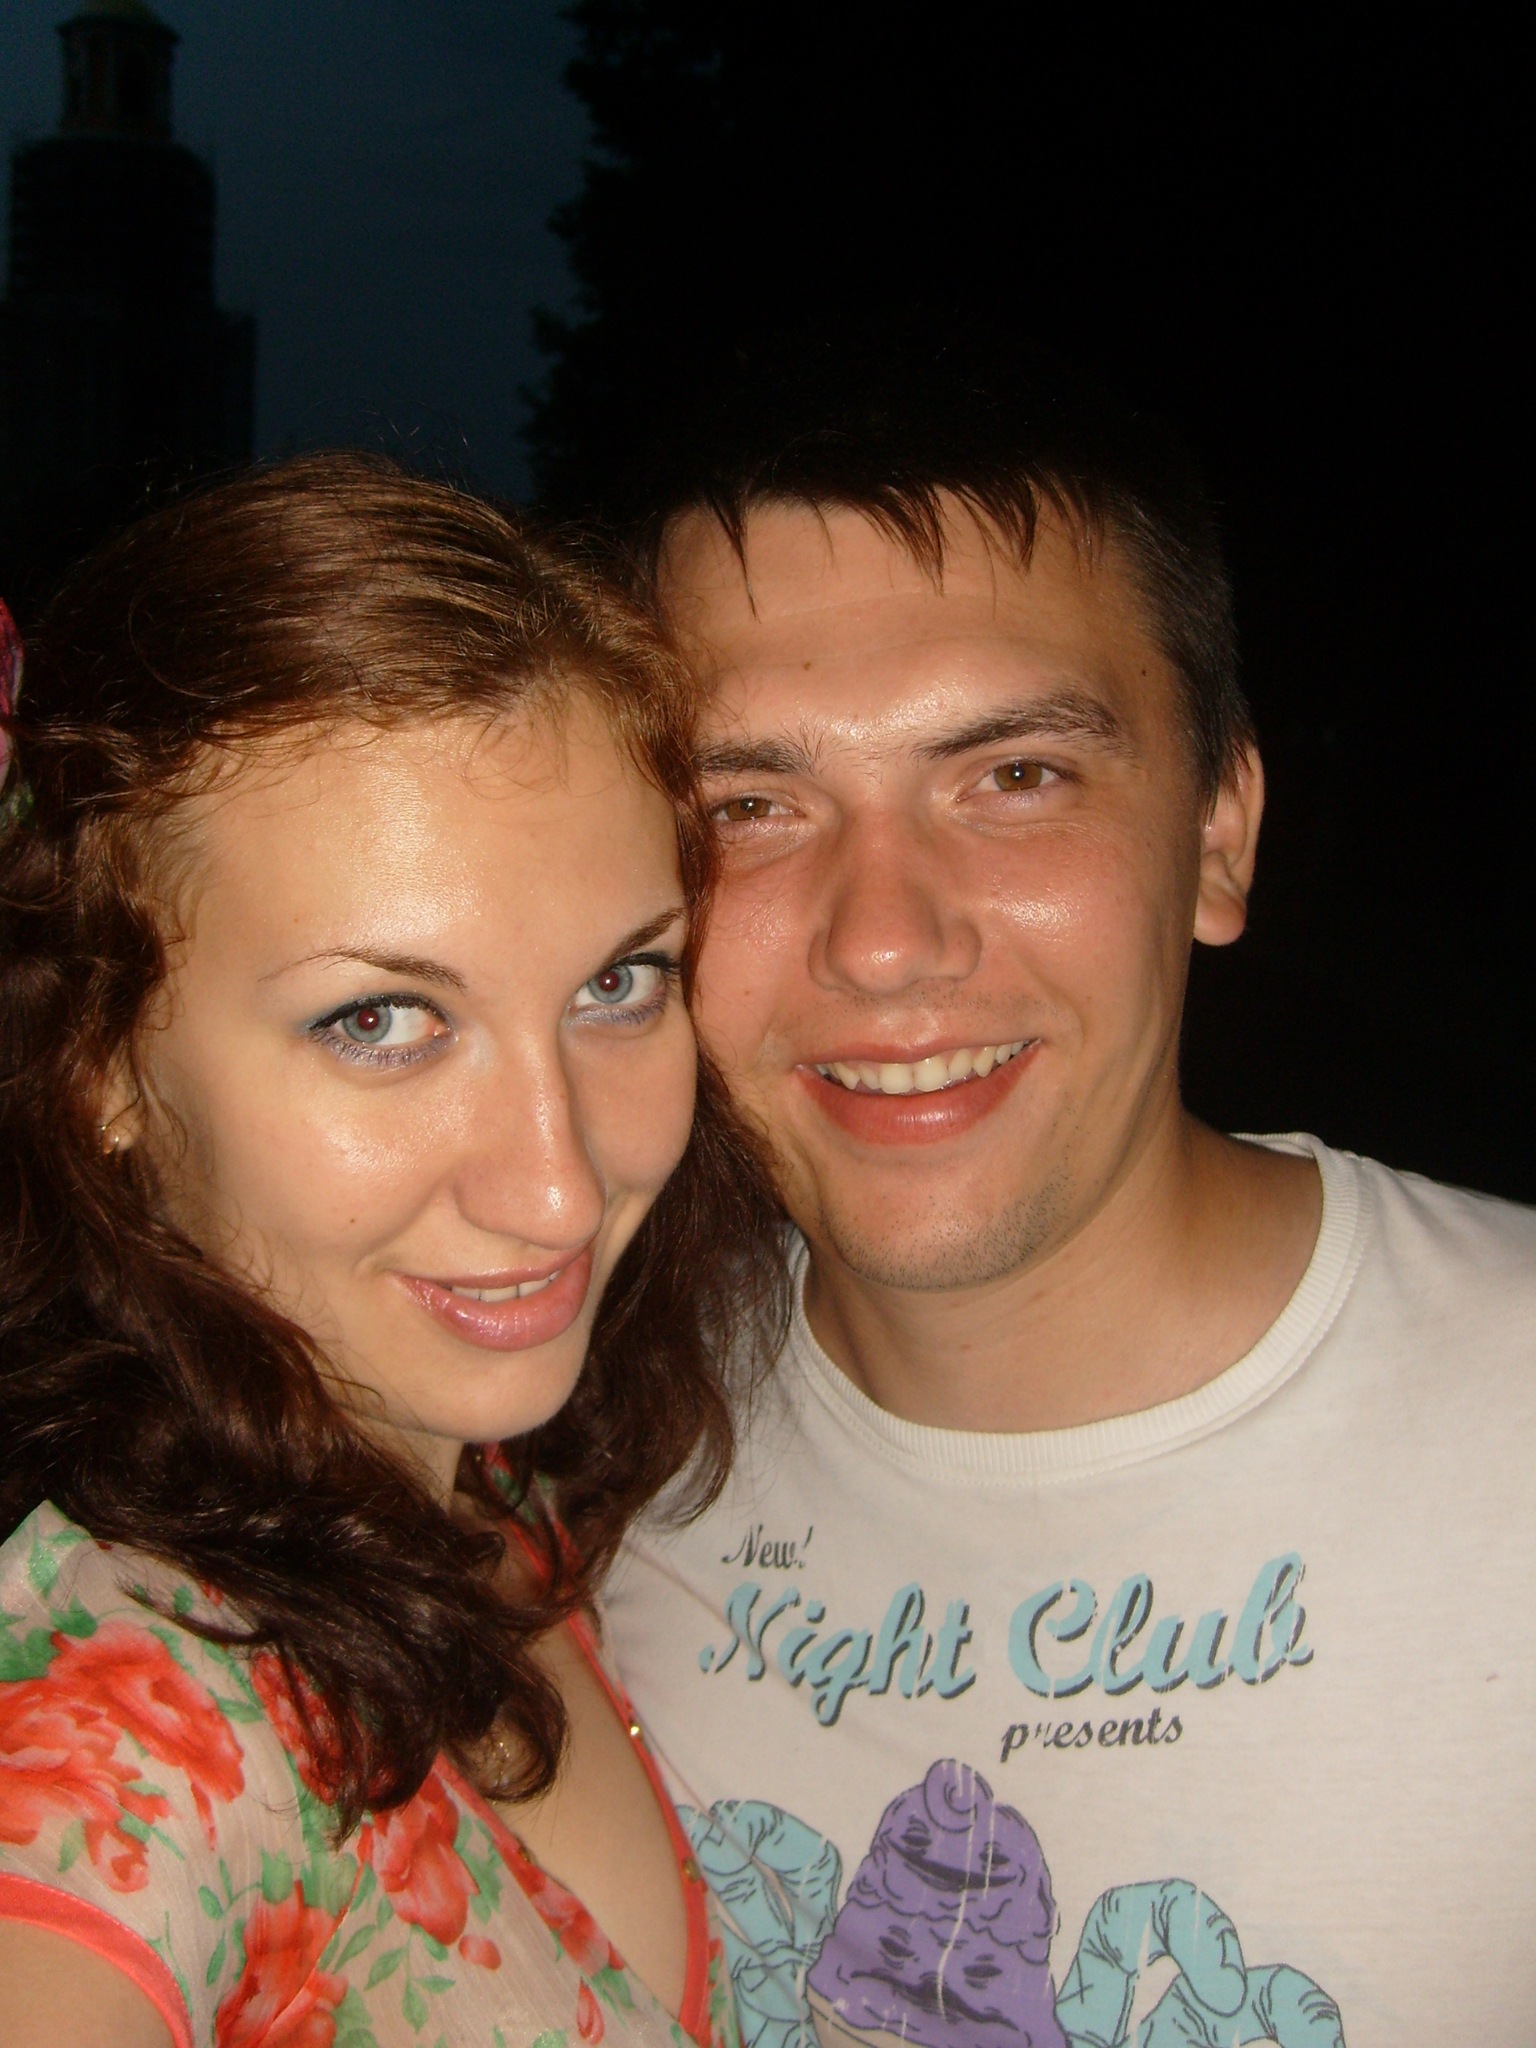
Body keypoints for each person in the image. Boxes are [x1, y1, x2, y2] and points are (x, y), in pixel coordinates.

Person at [600, 338, 1536, 2046]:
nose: (884, 939)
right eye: (751, 805)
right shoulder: (572, 1462)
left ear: (1220, 833)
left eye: (1015, 776)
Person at [0, 455, 781, 2048]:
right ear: (101, 1068)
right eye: (380, 1020)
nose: (558, 1186)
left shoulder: (509, 1490)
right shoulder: (129, 1711)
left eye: (619, 986)